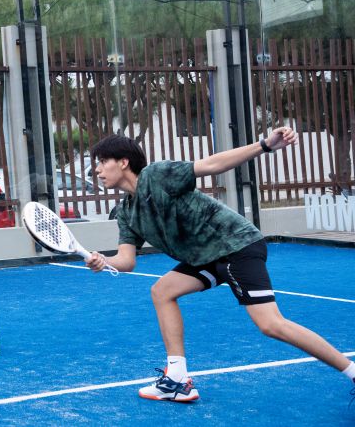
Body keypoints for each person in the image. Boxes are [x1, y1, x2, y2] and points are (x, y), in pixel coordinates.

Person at [84, 127, 355, 401]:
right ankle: (177, 379)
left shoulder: (157, 175)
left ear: (123, 162)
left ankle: (353, 371)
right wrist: (104, 261)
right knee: (162, 291)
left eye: (102, 162)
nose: (97, 170)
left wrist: (265, 146)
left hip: (236, 245)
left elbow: (213, 164)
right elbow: (127, 260)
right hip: (206, 256)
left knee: (271, 325)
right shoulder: (126, 212)